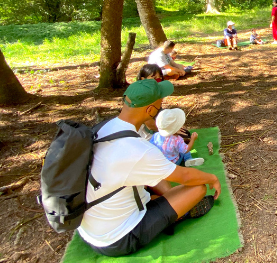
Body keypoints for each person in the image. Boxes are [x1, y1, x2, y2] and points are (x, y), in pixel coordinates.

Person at [78, 79, 221, 256]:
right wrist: (212, 178)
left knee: (158, 176)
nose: (162, 108)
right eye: (160, 105)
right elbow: (184, 176)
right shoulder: (139, 151)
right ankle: (178, 214)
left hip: (89, 227)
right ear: (150, 110)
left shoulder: (104, 127)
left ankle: (167, 204)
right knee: (198, 188)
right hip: (117, 238)